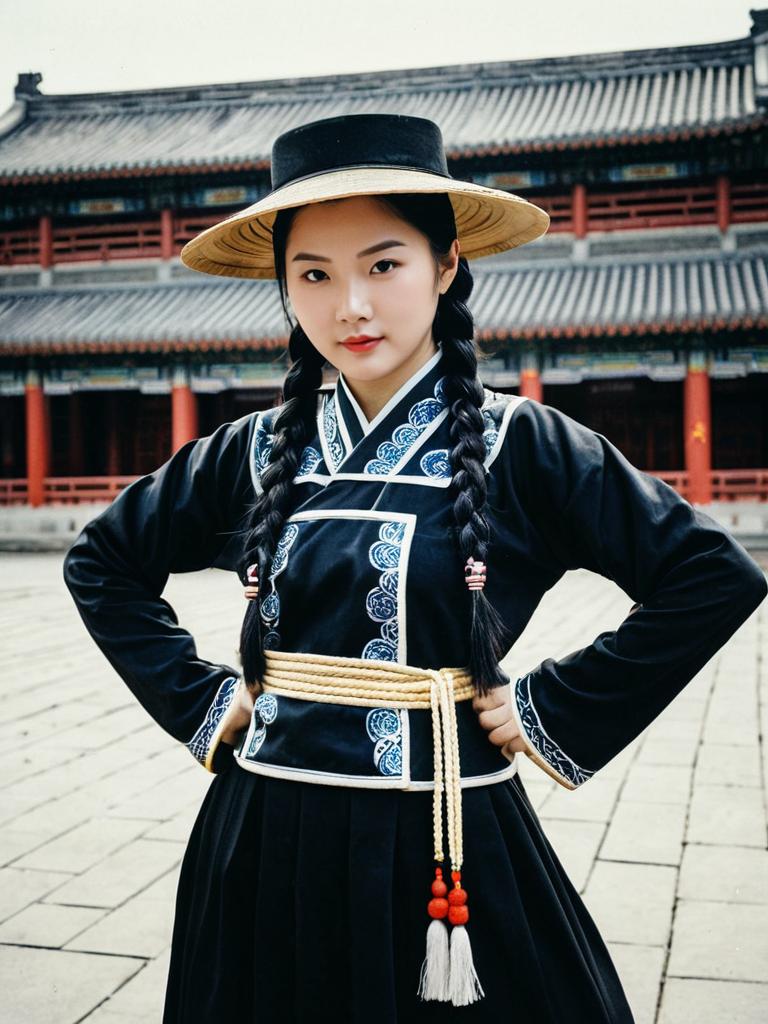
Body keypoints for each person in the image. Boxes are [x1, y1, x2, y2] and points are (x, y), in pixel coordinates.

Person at [62, 113, 768, 1024]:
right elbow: (103, 560)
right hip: (262, 832)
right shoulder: (254, 450)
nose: (350, 306)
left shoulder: (524, 444)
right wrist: (199, 700)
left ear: (445, 266)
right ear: (285, 288)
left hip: (443, 836)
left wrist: (550, 706)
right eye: (314, 274)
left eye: (384, 265)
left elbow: (711, 573)